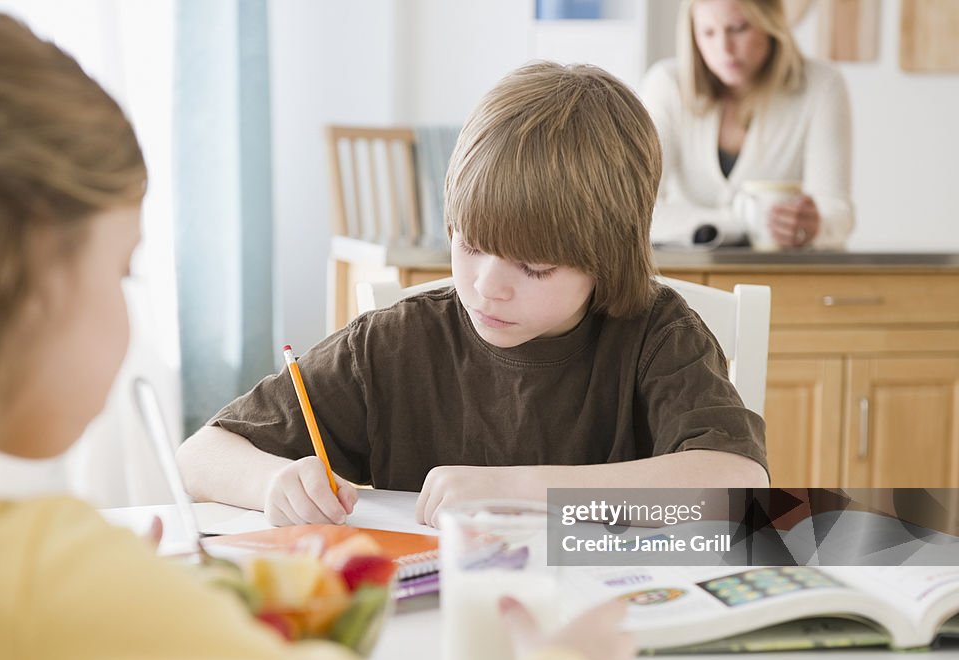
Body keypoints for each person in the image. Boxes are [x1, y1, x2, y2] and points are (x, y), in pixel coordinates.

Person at [0, 5, 636, 660]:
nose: (489, 283)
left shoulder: (38, 596)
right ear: (19, 286)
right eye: (124, 268)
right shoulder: (52, 593)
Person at [176, 62, 769, 529]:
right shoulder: (393, 344)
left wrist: (514, 490)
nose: (486, 286)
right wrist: (273, 484)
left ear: (607, 259)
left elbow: (739, 485)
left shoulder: (656, 335)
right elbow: (199, 456)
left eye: (533, 267)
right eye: (468, 244)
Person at [641, 0, 854, 249]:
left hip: (781, 276)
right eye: (708, 32)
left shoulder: (821, 86)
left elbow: (837, 213)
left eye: (739, 28)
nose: (724, 49)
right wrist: (747, 223)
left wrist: (815, 225)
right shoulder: (666, 84)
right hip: (689, 277)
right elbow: (638, 211)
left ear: (770, 24)